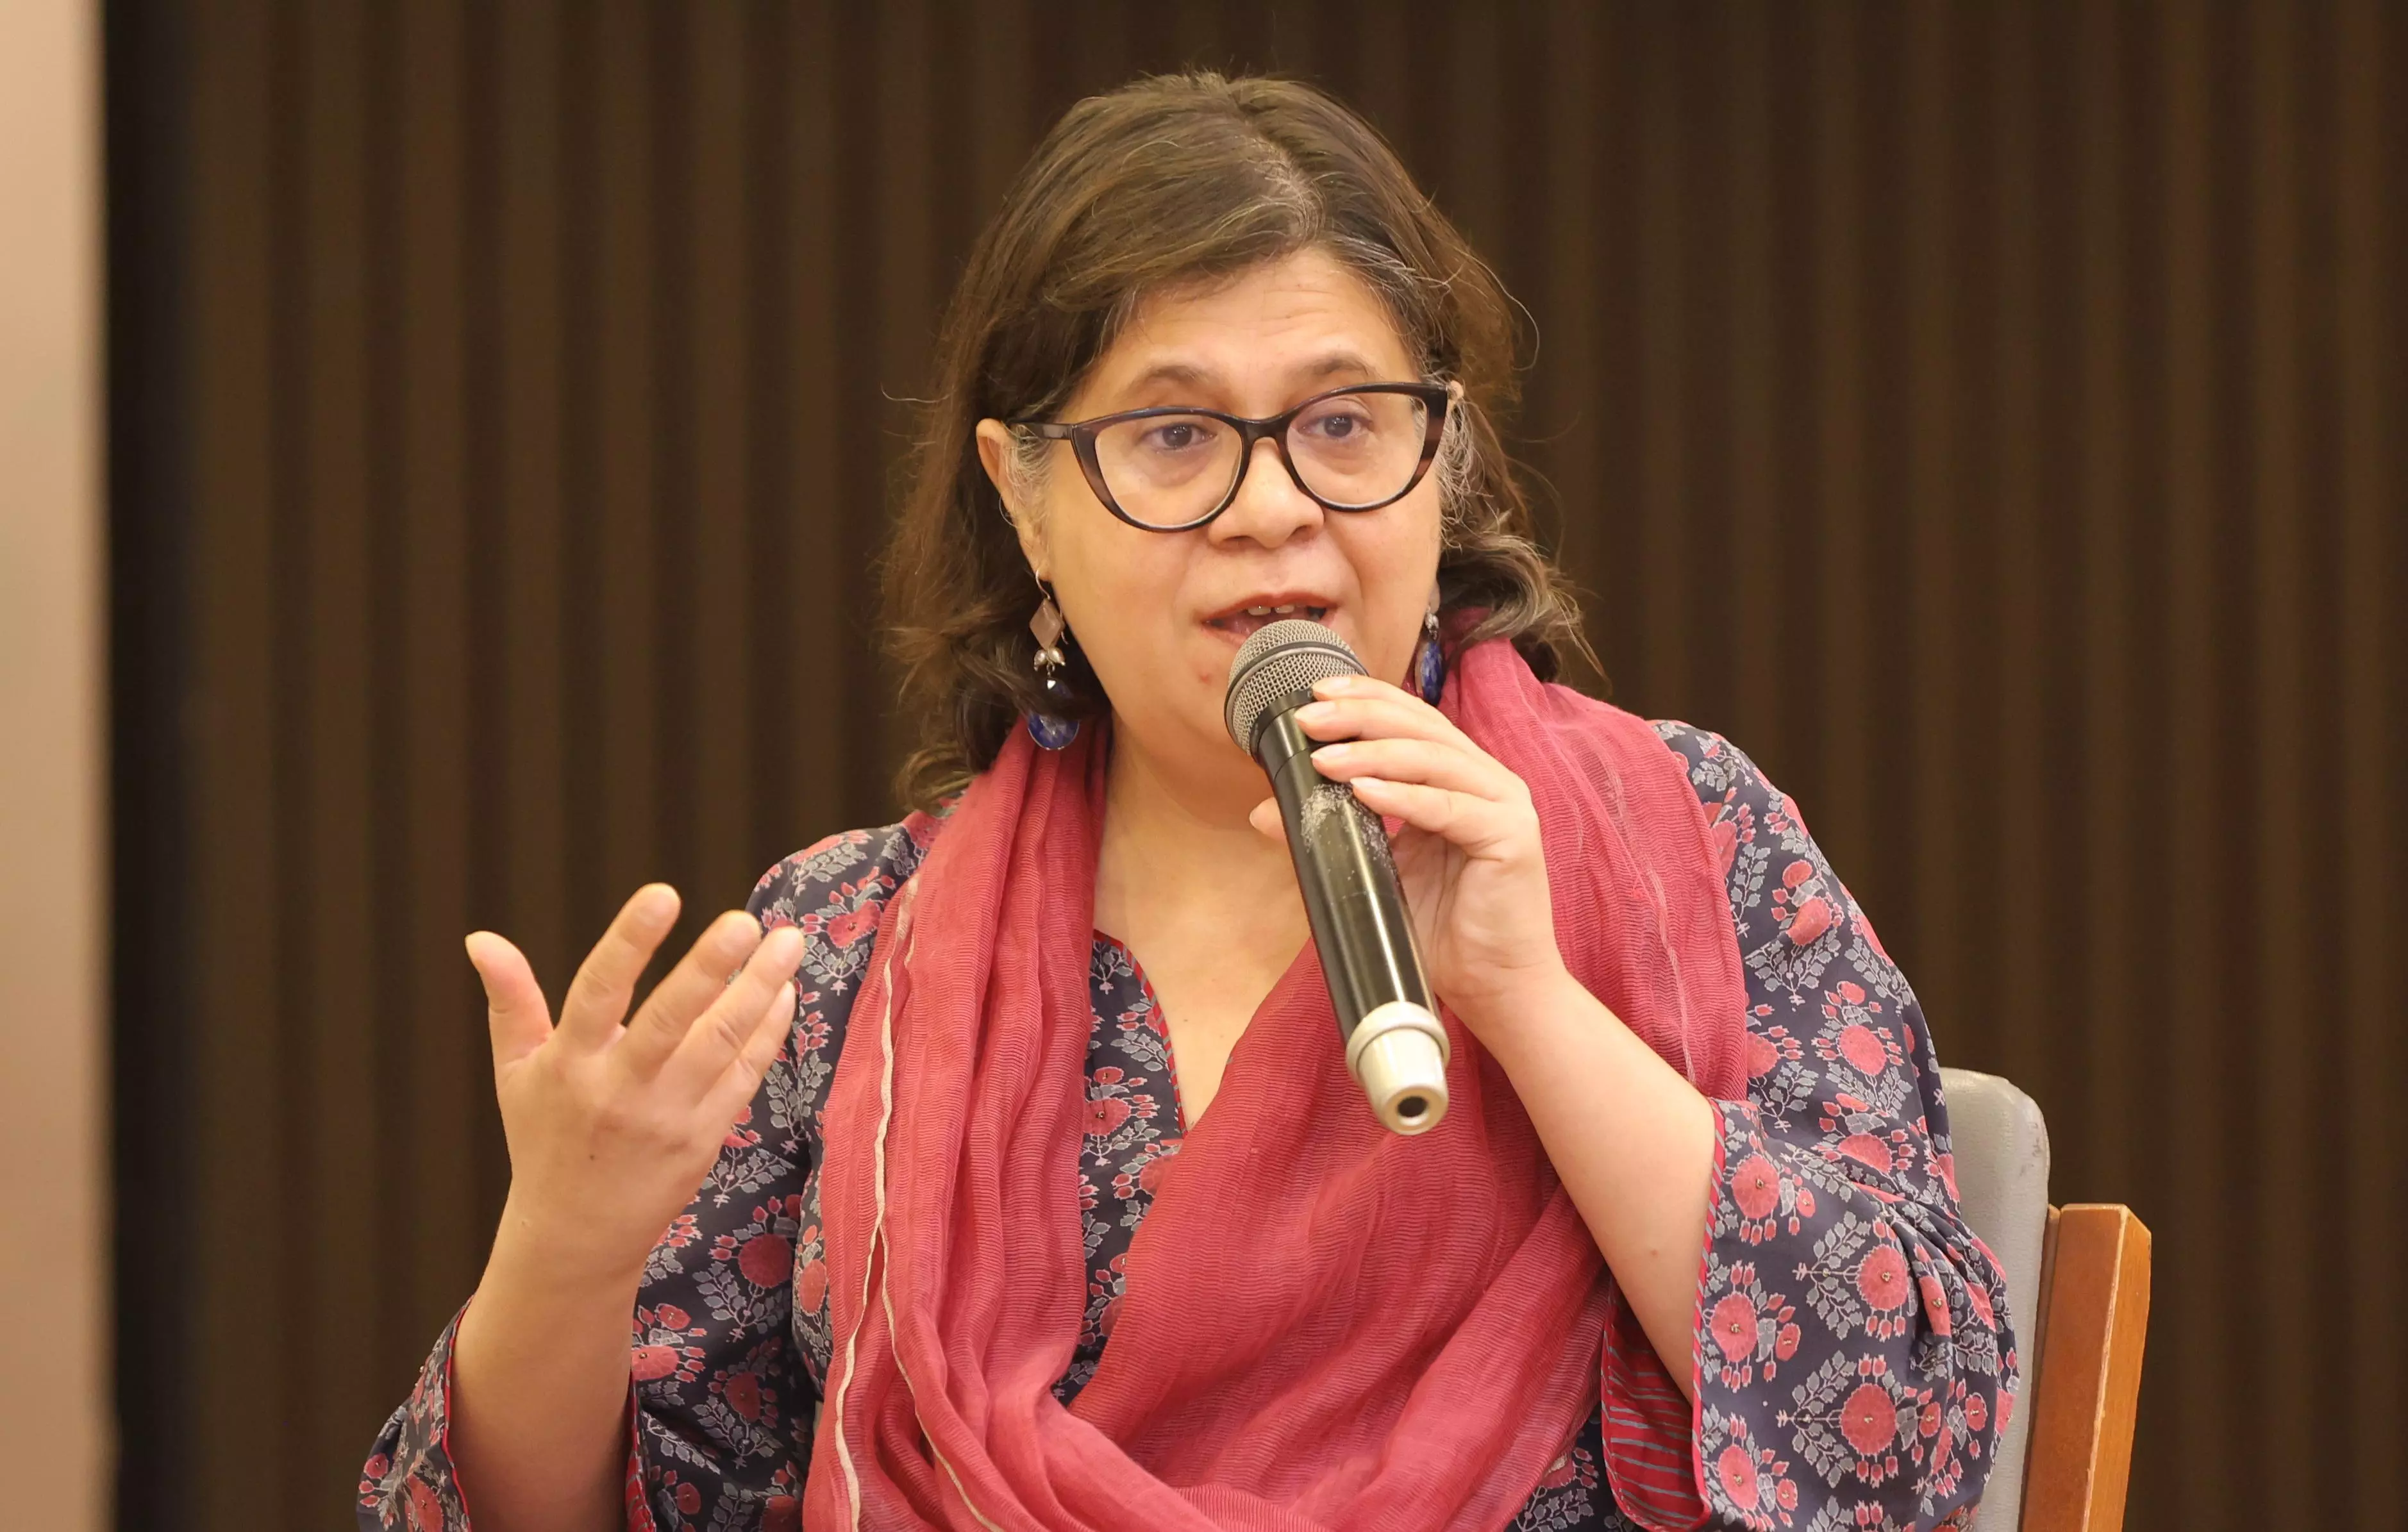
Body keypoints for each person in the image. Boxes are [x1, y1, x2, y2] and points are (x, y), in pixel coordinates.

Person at [362, 72, 2012, 1532]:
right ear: (1024, 498)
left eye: (1344, 424)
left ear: (1443, 460)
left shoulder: (1689, 841)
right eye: (1172, 437)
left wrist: (1532, 1004)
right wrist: (562, 1253)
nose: (1271, 508)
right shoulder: (852, 947)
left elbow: (1910, 1425)